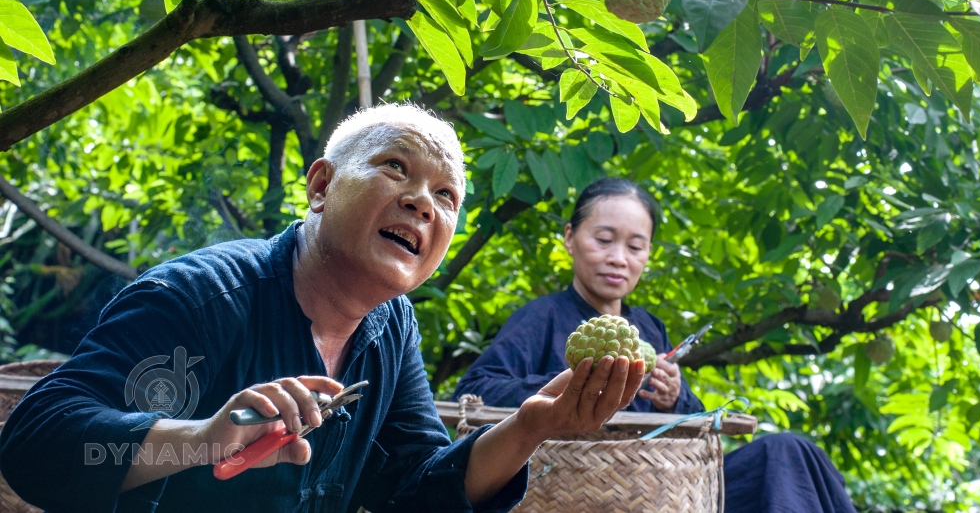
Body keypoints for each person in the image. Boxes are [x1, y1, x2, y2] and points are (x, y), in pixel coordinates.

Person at [0, 104, 645, 513]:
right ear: (321, 185)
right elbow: (38, 449)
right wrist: (198, 441)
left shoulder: (391, 329)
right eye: (397, 168)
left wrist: (531, 426)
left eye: (446, 196)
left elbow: (417, 493)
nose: (425, 203)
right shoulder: (203, 297)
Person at [454, 177, 858, 513]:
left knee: (787, 452)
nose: (618, 258)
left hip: (666, 486)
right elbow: (475, 391)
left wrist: (676, 398)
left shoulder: (649, 327)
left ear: (647, 254)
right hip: (584, 484)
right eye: (604, 240)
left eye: (634, 246)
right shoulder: (541, 317)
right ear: (570, 238)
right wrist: (575, 387)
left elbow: (699, 431)